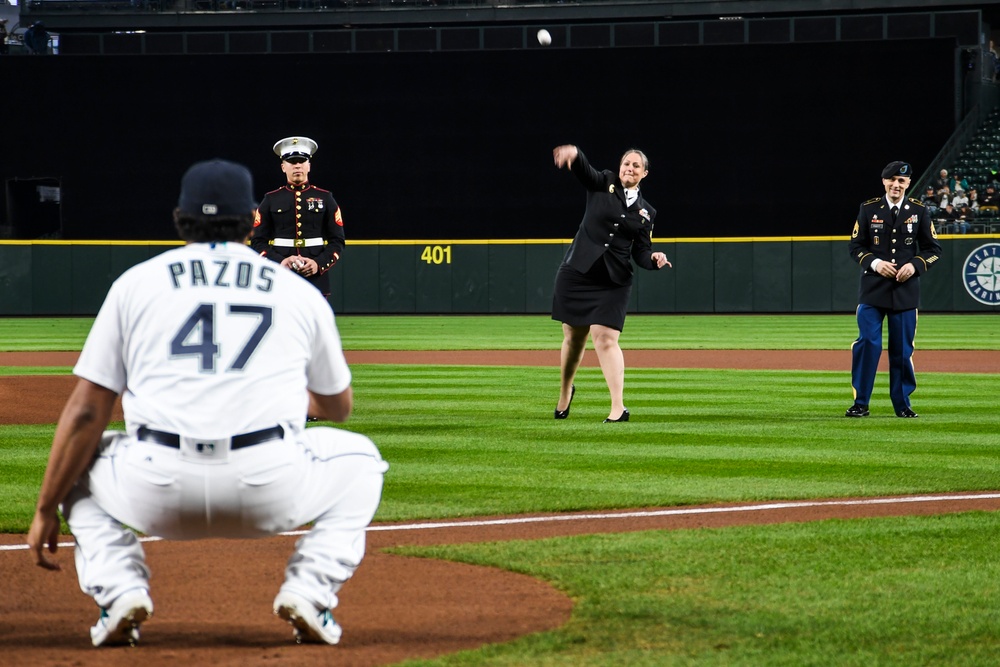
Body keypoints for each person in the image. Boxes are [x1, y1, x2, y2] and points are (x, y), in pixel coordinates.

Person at [25, 159, 388, 647]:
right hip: (269, 484)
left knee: (76, 459)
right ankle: (310, 591)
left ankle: (119, 590)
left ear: (180, 218)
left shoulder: (137, 283)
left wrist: (46, 507)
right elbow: (338, 408)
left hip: (156, 487)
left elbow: (87, 411)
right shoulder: (297, 294)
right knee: (362, 460)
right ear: (249, 221)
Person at [550, 144, 671, 423]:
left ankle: (618, 408)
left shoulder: (646, 212)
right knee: (574, 337)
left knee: (605, 338)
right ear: (620, 167)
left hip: (614, 279)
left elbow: (641, 252)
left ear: (645, 173)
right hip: (578, 272)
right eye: (626, 163)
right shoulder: (604, 182)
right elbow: (585, 171)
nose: (629, 168)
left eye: (636, 165)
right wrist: (575, 154)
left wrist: (654, 258)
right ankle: (566, 390)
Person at [846, 161, 942, 419]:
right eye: (892, 180)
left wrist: (915, 265)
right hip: (872, 290)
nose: (896, 185)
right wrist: (876, 263)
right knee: (868, 344)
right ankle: (861, 403)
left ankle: (902, 404)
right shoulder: (868, 209)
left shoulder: (919, 211)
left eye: (902, 181)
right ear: (884, 182)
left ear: (908, 183)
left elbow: (933, 250)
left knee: (902, 349)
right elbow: (855, 247)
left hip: (905, 291)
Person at [250, 136, 345, 299]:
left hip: (316, 279)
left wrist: (319, 264)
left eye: (301, 161)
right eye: (292, 162)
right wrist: (279, 263)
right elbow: (258, 242)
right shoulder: (270, 200)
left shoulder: (325, 198)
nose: (297, 166)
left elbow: (337, 240)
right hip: (281, 277)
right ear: (283, 167)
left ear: (309, 166)